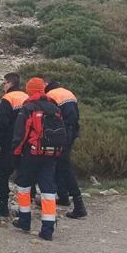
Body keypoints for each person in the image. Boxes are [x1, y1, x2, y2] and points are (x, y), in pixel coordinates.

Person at [11, 77, 64, 240]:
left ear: (30, 90)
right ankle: (48, 229)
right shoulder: (54, 108)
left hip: (32, 153)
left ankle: (24, 219)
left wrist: (15, 153)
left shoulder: (28, 108)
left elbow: (21, 133)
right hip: (51, 154)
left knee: (24, 185)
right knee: (48, 190)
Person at [45, 80, 85, 219]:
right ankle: (63, 196)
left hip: (62, 133)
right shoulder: (68, 93)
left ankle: (79, 205)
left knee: (65, 167)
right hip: (72, 131)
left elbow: (51, 117)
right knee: (60, 165)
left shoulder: (50, 95)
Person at [0, 73, 27, 216]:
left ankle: (3, 204)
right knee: (24, 174)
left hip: (9, 142)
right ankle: (24, 207)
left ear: (10, 83)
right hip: (25, 142)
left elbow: (2, 123)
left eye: (4, 83)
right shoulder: (26, 97)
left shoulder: (8, 98)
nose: (3, 86)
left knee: (3, 174)